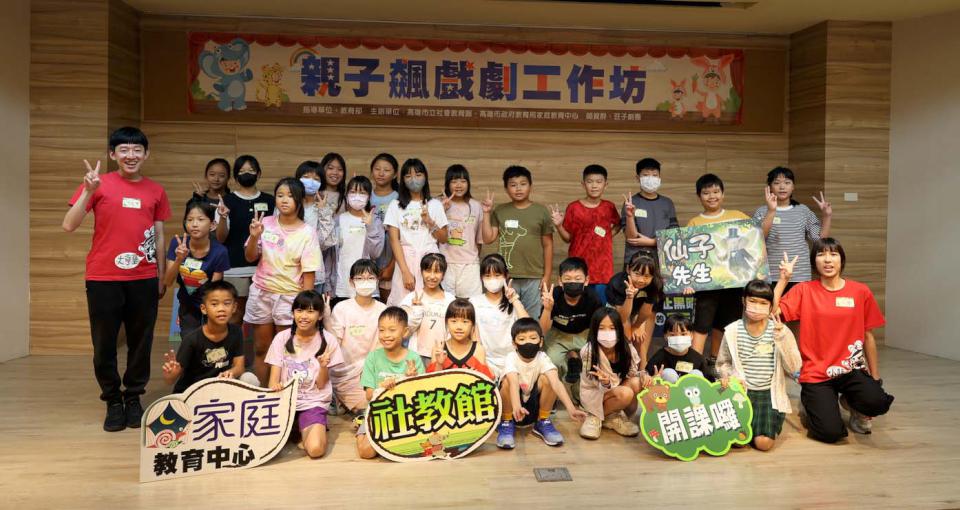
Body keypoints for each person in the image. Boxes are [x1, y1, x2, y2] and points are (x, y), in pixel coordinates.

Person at [62, 126, 171, 432]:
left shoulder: (156, 191)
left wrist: (161, 275)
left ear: (146, 154)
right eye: (123, 150)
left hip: (144, 277)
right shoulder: (98, 184)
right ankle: (112, 400)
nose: (130, 155)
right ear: (113, 154)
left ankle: (133, 397)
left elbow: (159, 236)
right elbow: (69, 225)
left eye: (137, 150)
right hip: (103, 276)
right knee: (104, 343)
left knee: (141, 341)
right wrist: (88, 190)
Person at [774, 240, 894, 443]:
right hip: (816, 373)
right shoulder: (804, 290)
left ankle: (852, 404)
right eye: (821, 255)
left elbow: (868, 336)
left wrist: (875, 379)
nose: (827, 260)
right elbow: (771, 312)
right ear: (814, 262)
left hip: (851, 369)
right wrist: (784, 280)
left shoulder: (860, 291)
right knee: (830, 433)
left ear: (842, 260)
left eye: (833, 254)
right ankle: (810, 403)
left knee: (878, 401)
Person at [244, 177, 322, 384]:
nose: (284, 200)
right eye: (280, 195)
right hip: (262, 292)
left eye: (290, 196)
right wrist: (254, 236)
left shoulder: (307, 232)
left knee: (287, 350)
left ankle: (285, 396)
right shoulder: (265, 223)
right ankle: (261, 394)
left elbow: (309, 273)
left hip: (290, 298)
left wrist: (305, 307)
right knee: (261, 348)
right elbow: (250, 257)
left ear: (299, 200)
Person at [717, 280, 802, 451]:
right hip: (741, 392)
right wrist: (730, 377)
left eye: (763, 303)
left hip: (768, 395)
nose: (757, 307)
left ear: (771, 307)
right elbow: (722, 362)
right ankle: (748, 429)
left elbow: (794, 367)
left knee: (764, 444)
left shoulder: (779, 330)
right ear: (744, 301)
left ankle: (756, 429)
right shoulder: (732, 331)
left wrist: (782, 339)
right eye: (752, 301)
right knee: (739, 442)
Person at [266, 290, 344, 459]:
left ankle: (309, 424)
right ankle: (297, 427)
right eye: (299, 310)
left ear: (320, 315)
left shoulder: (328, 340)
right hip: (284, 401)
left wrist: (323, 366)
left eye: (310, 311)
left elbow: (321, 384)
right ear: (293, 313)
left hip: (312, 402)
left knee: (315, 450)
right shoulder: (281, 338)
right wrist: (276, 387)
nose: (303, 316)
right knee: (265, 446)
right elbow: (272, 381)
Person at [686, 173, 752, 360]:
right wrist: (689, 281)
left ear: (723, 194)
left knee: (726, 324)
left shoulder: (738, 216)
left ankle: (715, 360)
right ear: (699, 196)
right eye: (706, 193)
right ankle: (694, 365)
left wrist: (771, 211)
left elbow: (755, 238)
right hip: (706, 284)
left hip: (733, 282)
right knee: (701, 324)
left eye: (716, 192)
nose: (712, 196)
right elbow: (689, 257)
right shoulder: (694, 222)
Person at [496, 318, 587, 449]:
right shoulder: (511, 358)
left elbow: (556, 383)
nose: (528, 342)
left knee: (549, 378)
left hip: (533, 405)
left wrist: (571, 408)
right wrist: (516, 406)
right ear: (514, 344)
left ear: (541, 341)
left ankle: (543, 421)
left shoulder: (543, 358)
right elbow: (513, 382)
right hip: (513, 406)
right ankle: (506, 422)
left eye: (533, 338)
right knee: (506, 382)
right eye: (522, 339)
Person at [481, 165, 553, 319]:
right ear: (506, 189)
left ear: (530, 186)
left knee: (531, 319)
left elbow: (548, 245)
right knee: (506, 318)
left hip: (534, 276)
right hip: (506, 276)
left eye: (523, 184)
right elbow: (488, 239)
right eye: (513, 185)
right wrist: (486, 213)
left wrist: (547, 275)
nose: (518, 189)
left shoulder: (541, 211)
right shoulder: (500, 211)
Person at [356, 307, 426, 459]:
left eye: (392, 330)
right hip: (379, 412)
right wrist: (383, 387)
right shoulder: (373, 358)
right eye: (382, 330)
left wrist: (410, 380)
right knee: (366, 453)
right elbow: (369, 396)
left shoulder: (414, 358)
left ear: (405, 332)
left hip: (407, 414)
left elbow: (421, 397)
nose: (386, 335)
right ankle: (362, 426)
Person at [161, 281, 255, 392]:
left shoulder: (236, 332)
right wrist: (171, 374)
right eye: (214, 304)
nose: (221, 309)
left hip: (220, 387)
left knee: (249, 378)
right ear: (204, 309)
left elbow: (239, 367)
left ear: (234, 307)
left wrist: (231, 372)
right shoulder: (192, 339)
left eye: (226, 303)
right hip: (193, 392)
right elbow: (170, 380)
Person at [215, 155, 275, 324]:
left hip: (265, 269)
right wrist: (222, 217)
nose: (247, 174)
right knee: (235, 314)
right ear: (235, 176)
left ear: (259, 174)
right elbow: (220, 238)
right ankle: (233, 343)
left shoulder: (270, 201)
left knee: (263, 316)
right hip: (235, 267)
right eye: (242, 171)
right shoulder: (226, 201)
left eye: (251, 170)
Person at [548, 164, 620, 303]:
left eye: (599, 182)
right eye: (590, 181)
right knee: (578, 307)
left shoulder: (609, 207)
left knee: (600, 308)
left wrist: (608, 236)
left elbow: (618, 224)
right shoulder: (573, 207)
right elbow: (567, 238)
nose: (594, 186)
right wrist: (558, 226)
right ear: (583, 184)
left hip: (603, 269)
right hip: (577, 270)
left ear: (605, 185)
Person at [753, 166, 832, 291]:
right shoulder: (761, 211)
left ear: (793, 186)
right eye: (777, 183)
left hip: (799, 273)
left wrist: (827, 216)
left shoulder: (803, 210)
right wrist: (772, 211)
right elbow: (757, 240)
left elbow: (819, 240)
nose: (782, 187)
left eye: (787, 182)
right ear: (769, 187)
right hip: (771, 273)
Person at [325, 259, 387, 413]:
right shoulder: (342, 308)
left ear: (377, 280)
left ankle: (343, 402)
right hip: (347, 373)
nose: (365, 282)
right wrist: (326, 319)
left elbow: (386, 344)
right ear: (351, 282)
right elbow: (334, 344)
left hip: (374, 371)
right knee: (367, 409)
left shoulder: (383, 310)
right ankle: (337, 396)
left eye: (370, 278)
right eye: (360, 278)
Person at [384, 158, 449, 305]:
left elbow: (444, 238)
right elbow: (394, 240)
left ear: (425, 177)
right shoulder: (395, 205)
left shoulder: (435, 204)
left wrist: (430, 222)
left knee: (429, 304)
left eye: (418, 175)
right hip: (405, 260)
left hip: (430, 262)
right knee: (404, 304)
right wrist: (405, 272)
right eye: (408, 176)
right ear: (403, 180)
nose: (414, 179)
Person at [163, 197, 230, 335]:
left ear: (212, 225)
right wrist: (178, 259)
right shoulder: (177, 244)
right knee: (190, 342)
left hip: (211, 307)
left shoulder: (220, 251)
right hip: (187, 307)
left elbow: (214, 290)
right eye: (189, 220)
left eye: (200, 219)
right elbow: (167, 281)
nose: (194, 224)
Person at [540, 257, 602, 399]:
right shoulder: (553, 295)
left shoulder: (593, 298)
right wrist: (548, 309)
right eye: (567, 279)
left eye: (577, 278)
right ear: (560, 281)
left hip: (584, 334)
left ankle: (579, 394)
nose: (573, 282)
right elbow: (543, 330)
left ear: (586, 280)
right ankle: (551, 397)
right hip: (558, 335)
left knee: (592, 360)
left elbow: (598, 325)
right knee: (552, 361)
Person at [578, 308, 642, 439]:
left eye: (612, 328)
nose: (607, 333)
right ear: (594, 330)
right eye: (601, 328)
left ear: (619, 329)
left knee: (637, 382)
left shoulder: (627, 348)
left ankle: (614, 416)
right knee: (625, 393)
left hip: (616, 390)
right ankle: (594, 417)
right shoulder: (588, 351)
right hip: (595, 393)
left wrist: (646, 377)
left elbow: (633, 374)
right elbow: (590, 383)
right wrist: (605, 383)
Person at [469, 254, 530, 379]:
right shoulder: (474, 302)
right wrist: (483, 364)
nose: (492, 279)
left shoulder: (513, 302)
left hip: (513, 359)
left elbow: (528, 326)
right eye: (488, 276)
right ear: (481, 277)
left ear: (506, 276)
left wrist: (514, 300)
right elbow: (475, 339)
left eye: (497, 275)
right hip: (486, 360)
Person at [330, 175, 385, 307]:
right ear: (346, 195)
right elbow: (330, 253)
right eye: (353, 192)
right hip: (342, 285)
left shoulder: (375, 220)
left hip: (367, 284)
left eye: (362, 193)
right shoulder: (338, 219)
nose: (357, 196)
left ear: (369, 196)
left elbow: (375, 254)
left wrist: (370, 227)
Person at [605, 252, 664, 368]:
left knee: (639, 337)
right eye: (637, 274)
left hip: (638, 309)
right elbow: (622, 317)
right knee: (627, 336)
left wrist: (637, 326)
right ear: (628, 269)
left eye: (647, 276)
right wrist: (629, 296)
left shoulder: (655, 284)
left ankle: (641, 368)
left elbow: (647, 310)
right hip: (619, 310)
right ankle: (626, 368)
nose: (641, 280)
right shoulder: (618, 283)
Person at [621, 157, 679, 267]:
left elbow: (674, 235)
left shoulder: (667, 203)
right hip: (636, 262)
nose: (651, 179)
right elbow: (631, 238)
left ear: (659, 177)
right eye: (646, 175)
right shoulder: (631, 203)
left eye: (654, 175)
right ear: (638, 178)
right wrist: (630, 216)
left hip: (663, 261)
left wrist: (652, 242)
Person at [400, 253, 456, 365]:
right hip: (417, 355)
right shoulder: (411, 298)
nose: (432, 276)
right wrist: (416, 311)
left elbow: (453, 328)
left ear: (443, 274)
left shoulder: (450, 299)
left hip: (442, 355)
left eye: (437, 271)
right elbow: (404, 331)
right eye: (428, 271)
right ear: (421, 272)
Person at [439, 164, 485, 298]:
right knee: (445, 304)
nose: (459, 185)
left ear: (468, 183)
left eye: (463, 181)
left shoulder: (476, 206)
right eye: (454, 181)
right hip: (445, 263)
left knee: (472, 303)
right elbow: (433, 234)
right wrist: (442, 210)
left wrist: (472, 258)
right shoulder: (439, 204)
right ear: (447, 184)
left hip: (470, 265)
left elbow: (478, 240)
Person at [425, 298, 493, 379]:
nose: (459, 327)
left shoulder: (478, 349)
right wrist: (439, 364)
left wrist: (474, 377)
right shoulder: (439, 349)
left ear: (472, 325)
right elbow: (431, 383)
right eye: (454, 321)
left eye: (465, 322)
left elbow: (486, 381)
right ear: (447, 323)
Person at [368, 153, 400, 303]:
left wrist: (392, 266)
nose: (381, 173)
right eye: (377, 169)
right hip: (369, 260)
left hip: (391, 259)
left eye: (386, 170)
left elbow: (402, 237)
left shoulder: (399, 198)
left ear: (395, 174)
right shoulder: (365, 196)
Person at [317, 153, 347, 293]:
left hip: (340, 253)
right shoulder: (315, 194)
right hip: (319, 250)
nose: (335, 172)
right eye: (330, 168)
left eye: (340, 169)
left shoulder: (347, 197)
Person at [646, 314, 708, 382]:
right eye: (672, 335)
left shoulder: (698, 358)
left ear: (691, 335)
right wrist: (653, 378)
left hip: (692, 388)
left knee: (696, 374)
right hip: (667, 388)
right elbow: (646, 374)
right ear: (665, 336)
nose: (678, 338)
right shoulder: (660, 356)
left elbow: (711, 382)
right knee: (668, 374)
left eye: (683, 334)